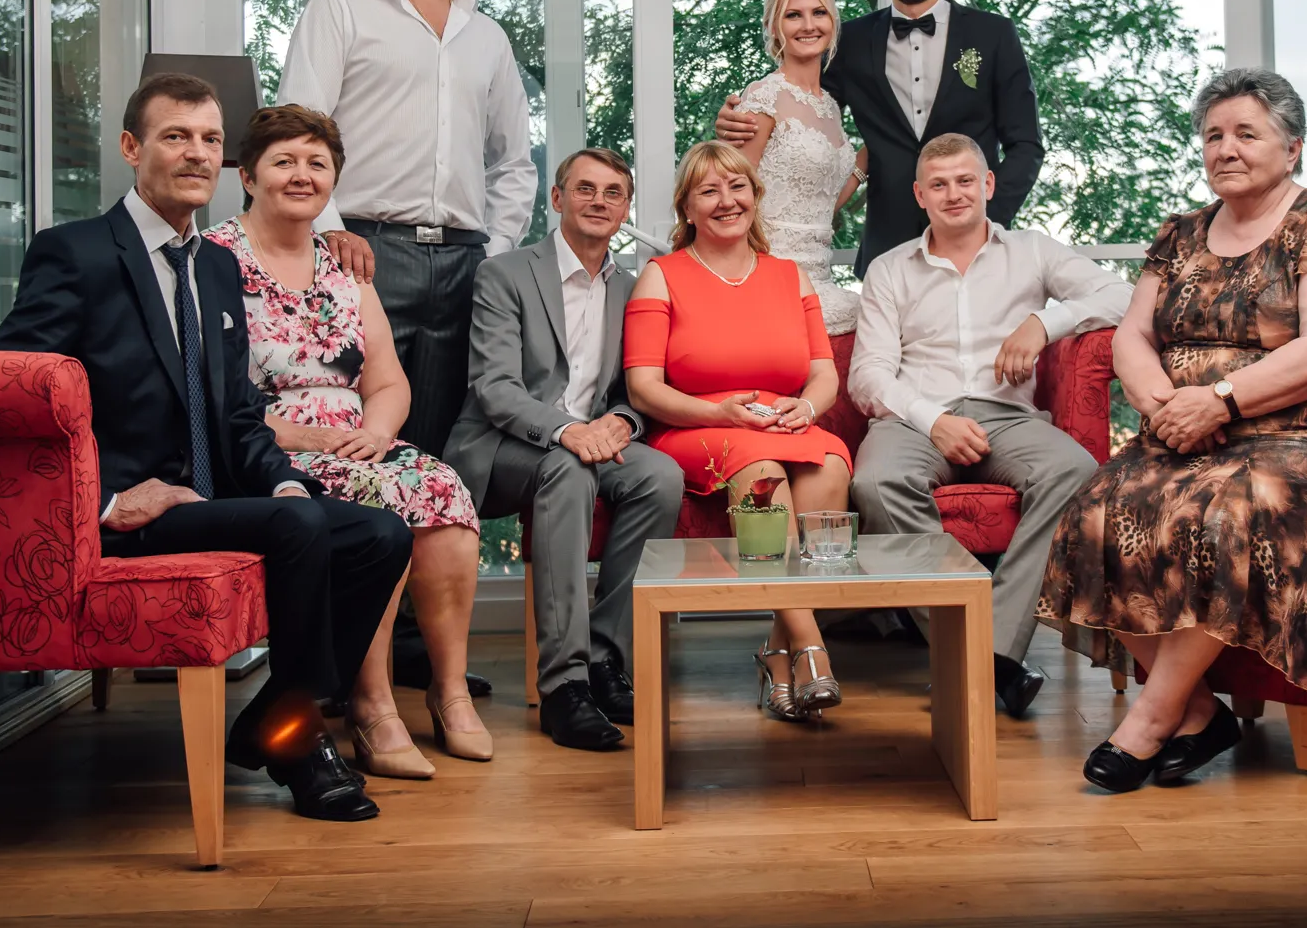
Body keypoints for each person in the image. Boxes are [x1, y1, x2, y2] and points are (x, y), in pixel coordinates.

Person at [0, 74, 413, 823]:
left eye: (210, 139)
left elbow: (238, 412)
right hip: (131, 513)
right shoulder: (76, 255)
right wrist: (111, 500)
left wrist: (282, 481)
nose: (195, 153)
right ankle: (299, 738)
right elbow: (12, 398)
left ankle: (276, 717)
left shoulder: (215, 267)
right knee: (300, 525)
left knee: (379, 532)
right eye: (175, 136)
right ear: (131, 147)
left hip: (215, 497)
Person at [1037, 68, 1307, 794]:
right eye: (1213, 135)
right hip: (1185, 426)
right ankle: (1203, 713)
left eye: (1246, 133)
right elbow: (1131, 337)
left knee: (1233, 512)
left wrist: (1222, 400)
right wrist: (1164, 405)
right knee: (1090, 516)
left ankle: (1151, 718)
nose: (1226, 148)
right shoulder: (1179, 234)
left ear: (1292, 148)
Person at [203, 104, 491, 778]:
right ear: (248, 176)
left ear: (334, 179)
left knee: (440, 487)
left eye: (317, 163)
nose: (302, 175)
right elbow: (213, 394)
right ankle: (371, 704)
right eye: (284, 162)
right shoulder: (216, 260)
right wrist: (312, 436)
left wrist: (376, 430)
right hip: (263, 447)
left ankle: (449, 693)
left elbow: (388, 381)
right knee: (382, 496)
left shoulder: (344, 270)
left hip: (354, 442)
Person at [848, 133, 1132, 718]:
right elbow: (869, 376)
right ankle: (984, 653)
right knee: (874, 484)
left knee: (1075, 471)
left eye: (965, 180)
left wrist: (1043, 322)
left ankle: (986, 653)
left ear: (989, 186)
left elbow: (1124, 295)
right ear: (919, 195)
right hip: (913, 416)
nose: (955, 194)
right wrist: (934, 421)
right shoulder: (888, 269)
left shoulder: (1032, 251)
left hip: (1006, 414)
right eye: (940, 184)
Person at [276, 0, 535, 456]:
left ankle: (430, 551)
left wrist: (493, 255)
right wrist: (330, 233)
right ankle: (365, 550)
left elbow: (514, 163)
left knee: (442, 440)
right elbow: (297, 133)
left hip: (464, 261)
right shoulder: (340, 8)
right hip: (364, 251)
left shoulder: (488, 37)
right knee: (355, 430)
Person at [446, 148, 686, 751]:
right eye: (585, 189)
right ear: (556, 199)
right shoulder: (504, 274)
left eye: (613, 192)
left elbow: (632, 390)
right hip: (506, 448)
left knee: (661, 476)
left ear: (626, 207)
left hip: (592, 444)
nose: (599, 201)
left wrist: (622, 426)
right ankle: (564, 689)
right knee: (568, 472)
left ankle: (605, 660)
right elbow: (495, 389)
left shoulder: (633, 287)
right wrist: (567, 432)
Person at [623, 141, 853, 722]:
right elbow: (644, 388)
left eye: (738, 187)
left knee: (829, 462)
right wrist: (721, 414)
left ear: (756, 196)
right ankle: (812, 650)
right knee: (762, 472)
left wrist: (808, 408)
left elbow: (823, 373)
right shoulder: (661, 276)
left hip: (782, 420)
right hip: (700, 425)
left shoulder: (789, 275)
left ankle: (779, 652)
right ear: (688, 208)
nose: (727, 201)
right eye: (709, 191)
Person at [717, 0, 1044, 274]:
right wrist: (741, 115)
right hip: (887, 247)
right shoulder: (851, 40)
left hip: (979, 246)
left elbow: (1026, 144)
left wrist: (985, 215)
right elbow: (802, 101)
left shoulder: (993, 34)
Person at [732, 0, 865, 335]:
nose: (808, 25)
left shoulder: (833, 107)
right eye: (794, 15)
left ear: (833, 24)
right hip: (770, 276)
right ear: (774, 27)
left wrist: (867, 159)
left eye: (819, 13)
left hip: (820, 275)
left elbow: (823, 203)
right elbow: (729, 199)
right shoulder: (762, 97)